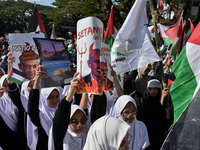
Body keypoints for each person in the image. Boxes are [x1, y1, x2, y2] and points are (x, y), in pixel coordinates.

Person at [143, 79, 169, 150]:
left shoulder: (161, 99)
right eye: (150, 89)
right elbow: (155, 113)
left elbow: (163, 116)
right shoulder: (147, 101)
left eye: (155, 89)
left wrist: (165, 129)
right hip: (150, 132)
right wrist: (162, 99)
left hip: (160, 132)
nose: (152, 91)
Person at [0, 75, 18, 150]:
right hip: (5, 137)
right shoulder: (1, 100)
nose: (7, 87)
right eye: (4, 85)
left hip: (19, 137)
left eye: (8, 84)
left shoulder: (19, 97)